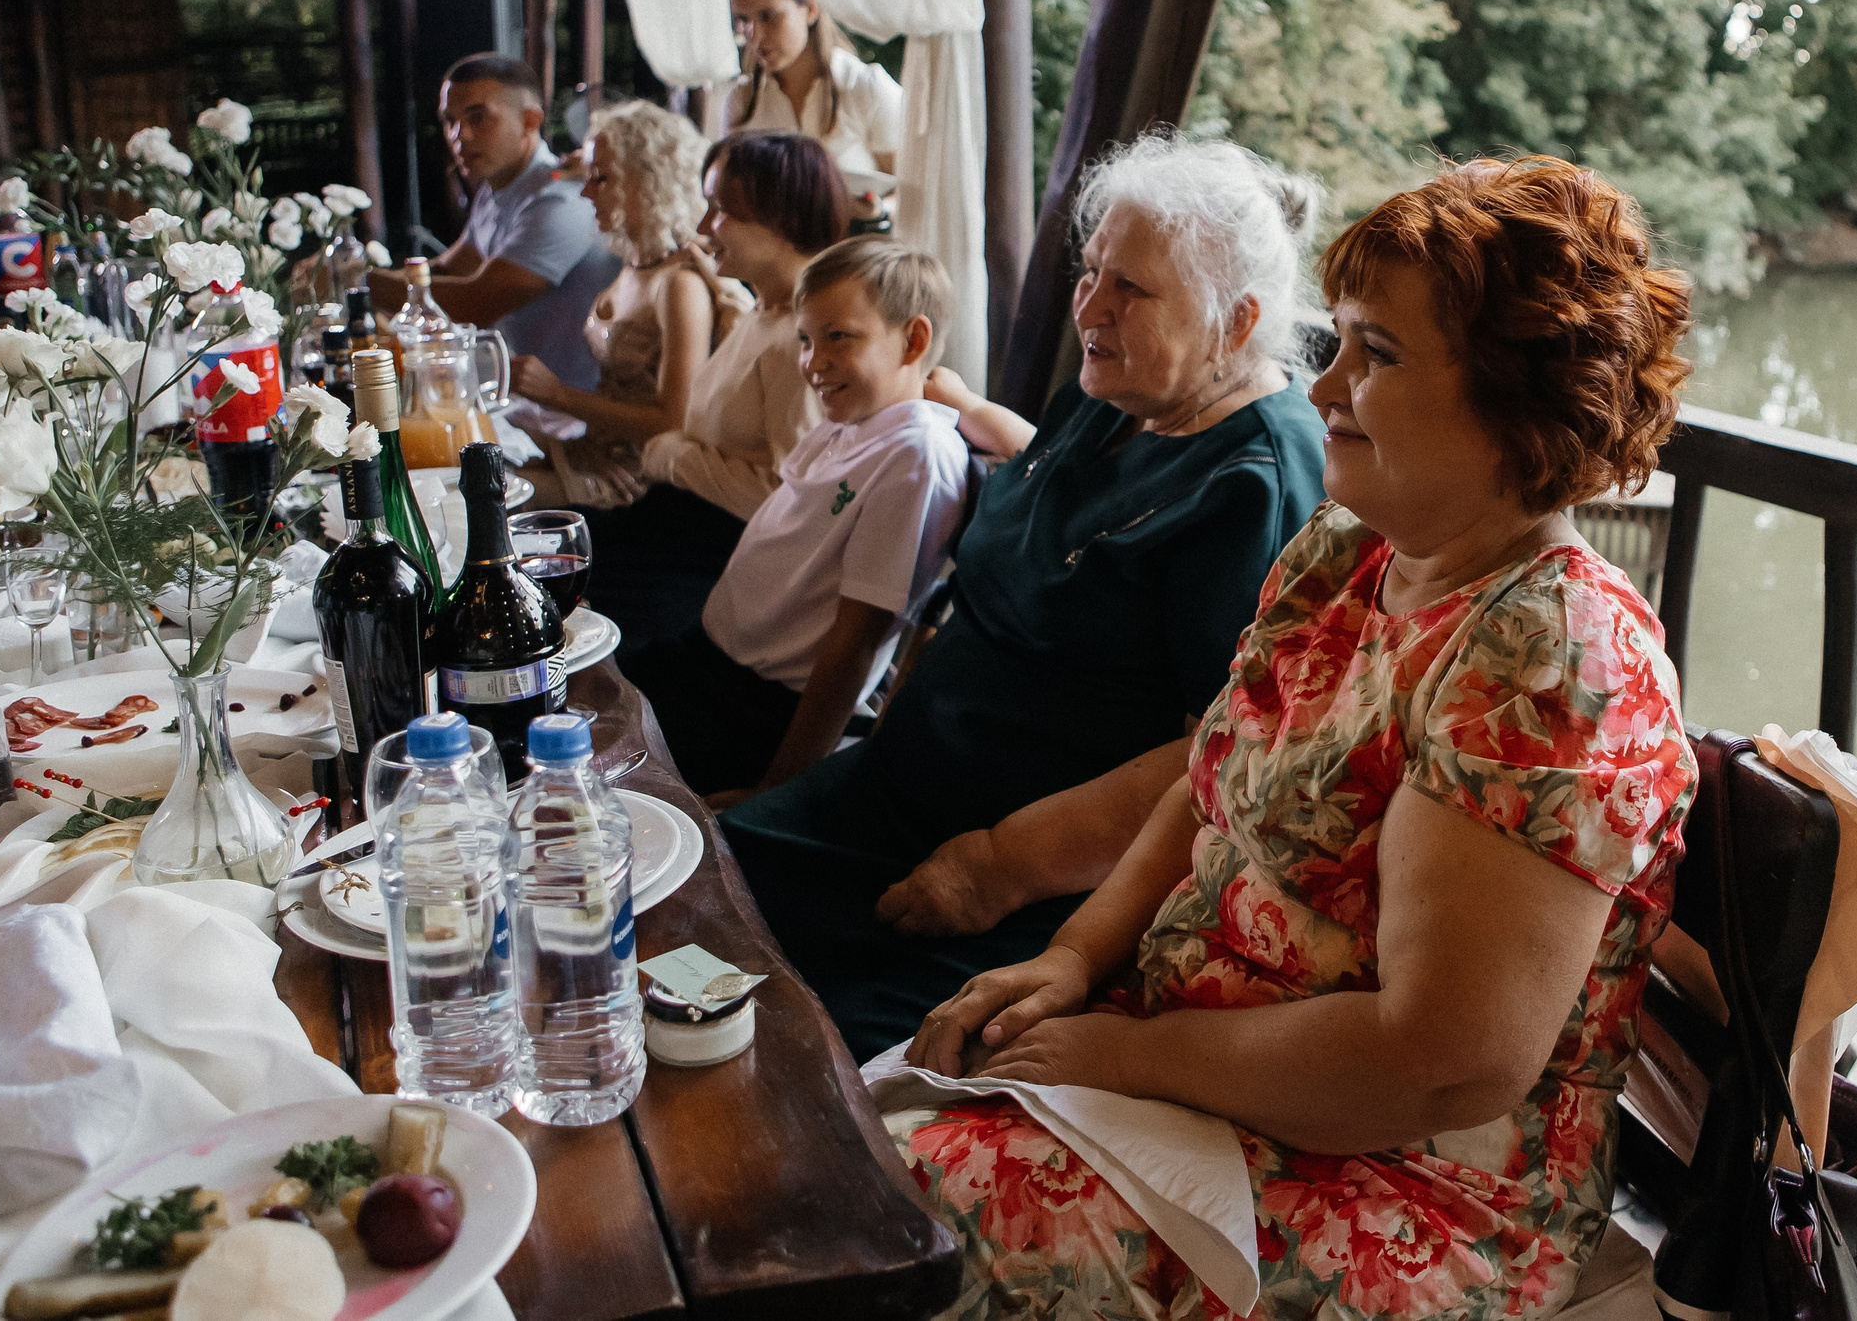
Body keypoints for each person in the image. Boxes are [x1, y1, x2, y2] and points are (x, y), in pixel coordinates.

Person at [893, 155, 1699, 1321]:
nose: (1323, 391)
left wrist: (1125, 1056)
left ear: (1516, 403)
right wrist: (1073, 955)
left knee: (912, 1225)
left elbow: (1438, 1063)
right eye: (1339, 346)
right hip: (1198, 1069)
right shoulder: (1349, 547)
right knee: (848, 1147)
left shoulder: (1548, 658)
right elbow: (1207, 780)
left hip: (1406, 1184)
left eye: (1377, 354)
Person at [719, 134, 1327, 1061]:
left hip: (1017, 882)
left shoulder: (1256, 483)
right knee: (682, 909)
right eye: (1091, 272)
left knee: (802, 1063)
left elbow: (1221, 748)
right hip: (894, 798)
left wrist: (1002, 864)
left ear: (1235, 324)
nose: (1092, 305)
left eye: (1131, 288)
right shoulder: (1122, 390)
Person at [623, 237, 969, 794]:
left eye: (839, 338)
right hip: (703, 662)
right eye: (806, 339)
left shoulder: (915, 457)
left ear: (914, 339)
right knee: (562, 685)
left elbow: (855, 643)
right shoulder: (846, 424)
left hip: (756, 709)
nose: (813, 362)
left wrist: (779, 789)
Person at [588, 131, 850, 654]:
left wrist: (673, 454)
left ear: (783, 222)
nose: (705, 226)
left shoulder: (801, 339)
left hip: (711, 557)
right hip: (672, 525)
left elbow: (787, 499)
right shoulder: (761, 309)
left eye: (722, 210)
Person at [507, 100, 746, 508]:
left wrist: (559, 396)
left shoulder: (678, 285)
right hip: (593, 451)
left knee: (482, 505)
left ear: (650, 181)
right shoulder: (636, 262)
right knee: (472, 464)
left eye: (601, 179)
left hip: (638, 480)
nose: (584, 192)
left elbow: (675, 420)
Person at [364, 54, 620, 393]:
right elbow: (450, 268)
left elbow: (475, 304)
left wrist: (360, 283)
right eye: (449, 120)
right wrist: (360, 272)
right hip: (515, 397)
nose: (459, 135)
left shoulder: (561, 199)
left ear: (531, 121)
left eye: (478, 118)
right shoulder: (498, 185)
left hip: (569, 416)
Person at [725, 0, 906, 231]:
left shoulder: (865, 87)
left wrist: (878, 210)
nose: (754, 36)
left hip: (859, 259)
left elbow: (916, 191)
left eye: (768, 16)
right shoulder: (742, 101)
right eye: (743, 20)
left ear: (810, 9)